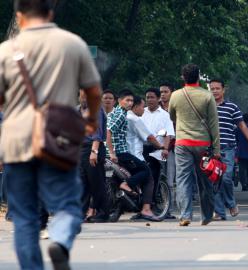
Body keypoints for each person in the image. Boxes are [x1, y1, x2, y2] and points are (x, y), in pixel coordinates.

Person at [0, 1, 101, 268]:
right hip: (59, 138)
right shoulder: (72, 44)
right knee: (68, 204)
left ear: (19, 17)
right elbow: (93, 91)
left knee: (24, 217)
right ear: (50, 13)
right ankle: (59, 240)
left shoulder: (5, 51)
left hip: (17, 141)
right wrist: (90, 121)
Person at [169, 64, 220, 226]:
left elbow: (171, 116)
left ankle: (185, 215)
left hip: (183, 142)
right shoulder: (207, 96)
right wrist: (217, 149)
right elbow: (214, 124)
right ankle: (206, 216)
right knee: (204, 180)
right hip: (203, 144)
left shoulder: (175, 95)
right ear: (198, 76)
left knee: (183, 179)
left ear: (183, 77)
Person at [106, 90, 161, 222]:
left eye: (131, 101)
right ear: (119, 101)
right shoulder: (124, 115)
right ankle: (143, 205)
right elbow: (109, 132)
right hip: (122, 152)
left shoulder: (117, 113)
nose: (129, 103)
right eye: (127, 100)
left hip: (116, 152)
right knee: (147, 172)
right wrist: (112, 152)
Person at [209, 78, 248, 220]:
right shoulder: (205, 107)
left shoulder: (232, 107)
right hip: (210, 149)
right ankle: (219, 212)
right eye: (212, 89)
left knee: (226, 178)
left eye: (217, 88)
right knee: (215, 180)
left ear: (223, 90)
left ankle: (231, 204)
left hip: (227, 148)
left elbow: (242, 125)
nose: (215, 91)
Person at [141, 87, 176, 219]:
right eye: (147, 97)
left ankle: (160, 207)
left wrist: (165, 149)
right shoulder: (141, 112)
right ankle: (143, 207)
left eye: (152, 97)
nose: (149, 100)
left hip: (157, 151)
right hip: (141, 150)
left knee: (156, 178)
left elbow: (168, 133)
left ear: (158, 99)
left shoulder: (165, 115)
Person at [78, 89, 109, 223]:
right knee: (82, 183)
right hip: (80, 149)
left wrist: (94, 152)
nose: (84, 98)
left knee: (96, 182)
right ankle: (81, 213)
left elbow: (98, 132)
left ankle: (103, 212)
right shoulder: (77, 110)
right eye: (82, 95)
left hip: (93, 148)